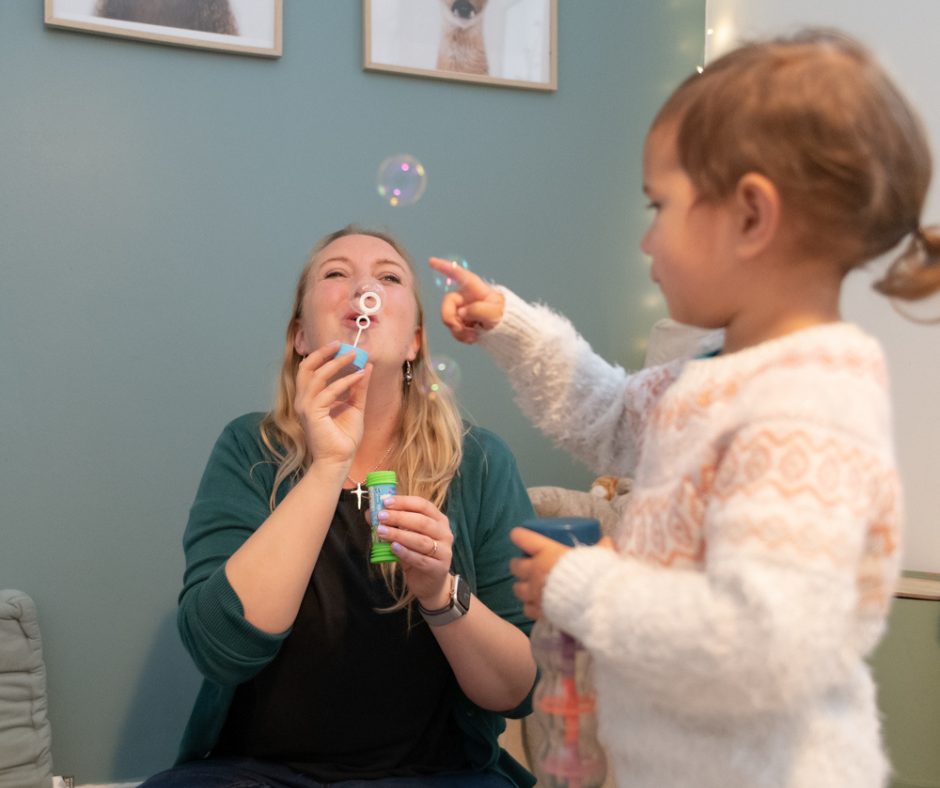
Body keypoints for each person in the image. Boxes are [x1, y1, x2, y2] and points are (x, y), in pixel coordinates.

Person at [431, 30, 940, 788]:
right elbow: (606, 415)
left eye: (660, 206)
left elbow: (766, 644)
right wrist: (512, 325)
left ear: (750, 217)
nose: (645, 240)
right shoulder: (712, 374)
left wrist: (581, 585)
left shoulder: (809, 407)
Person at [143, 226, 539, 788]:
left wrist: (439, 593)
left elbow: (517, 690)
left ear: (415, 343)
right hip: (263, 776)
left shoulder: (480, 463)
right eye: (335, 274)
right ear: (301, 337)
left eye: (388, 276)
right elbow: (221, 650)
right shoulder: (248, 450)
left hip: (437, 776)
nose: (363, 290)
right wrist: (329, 464)